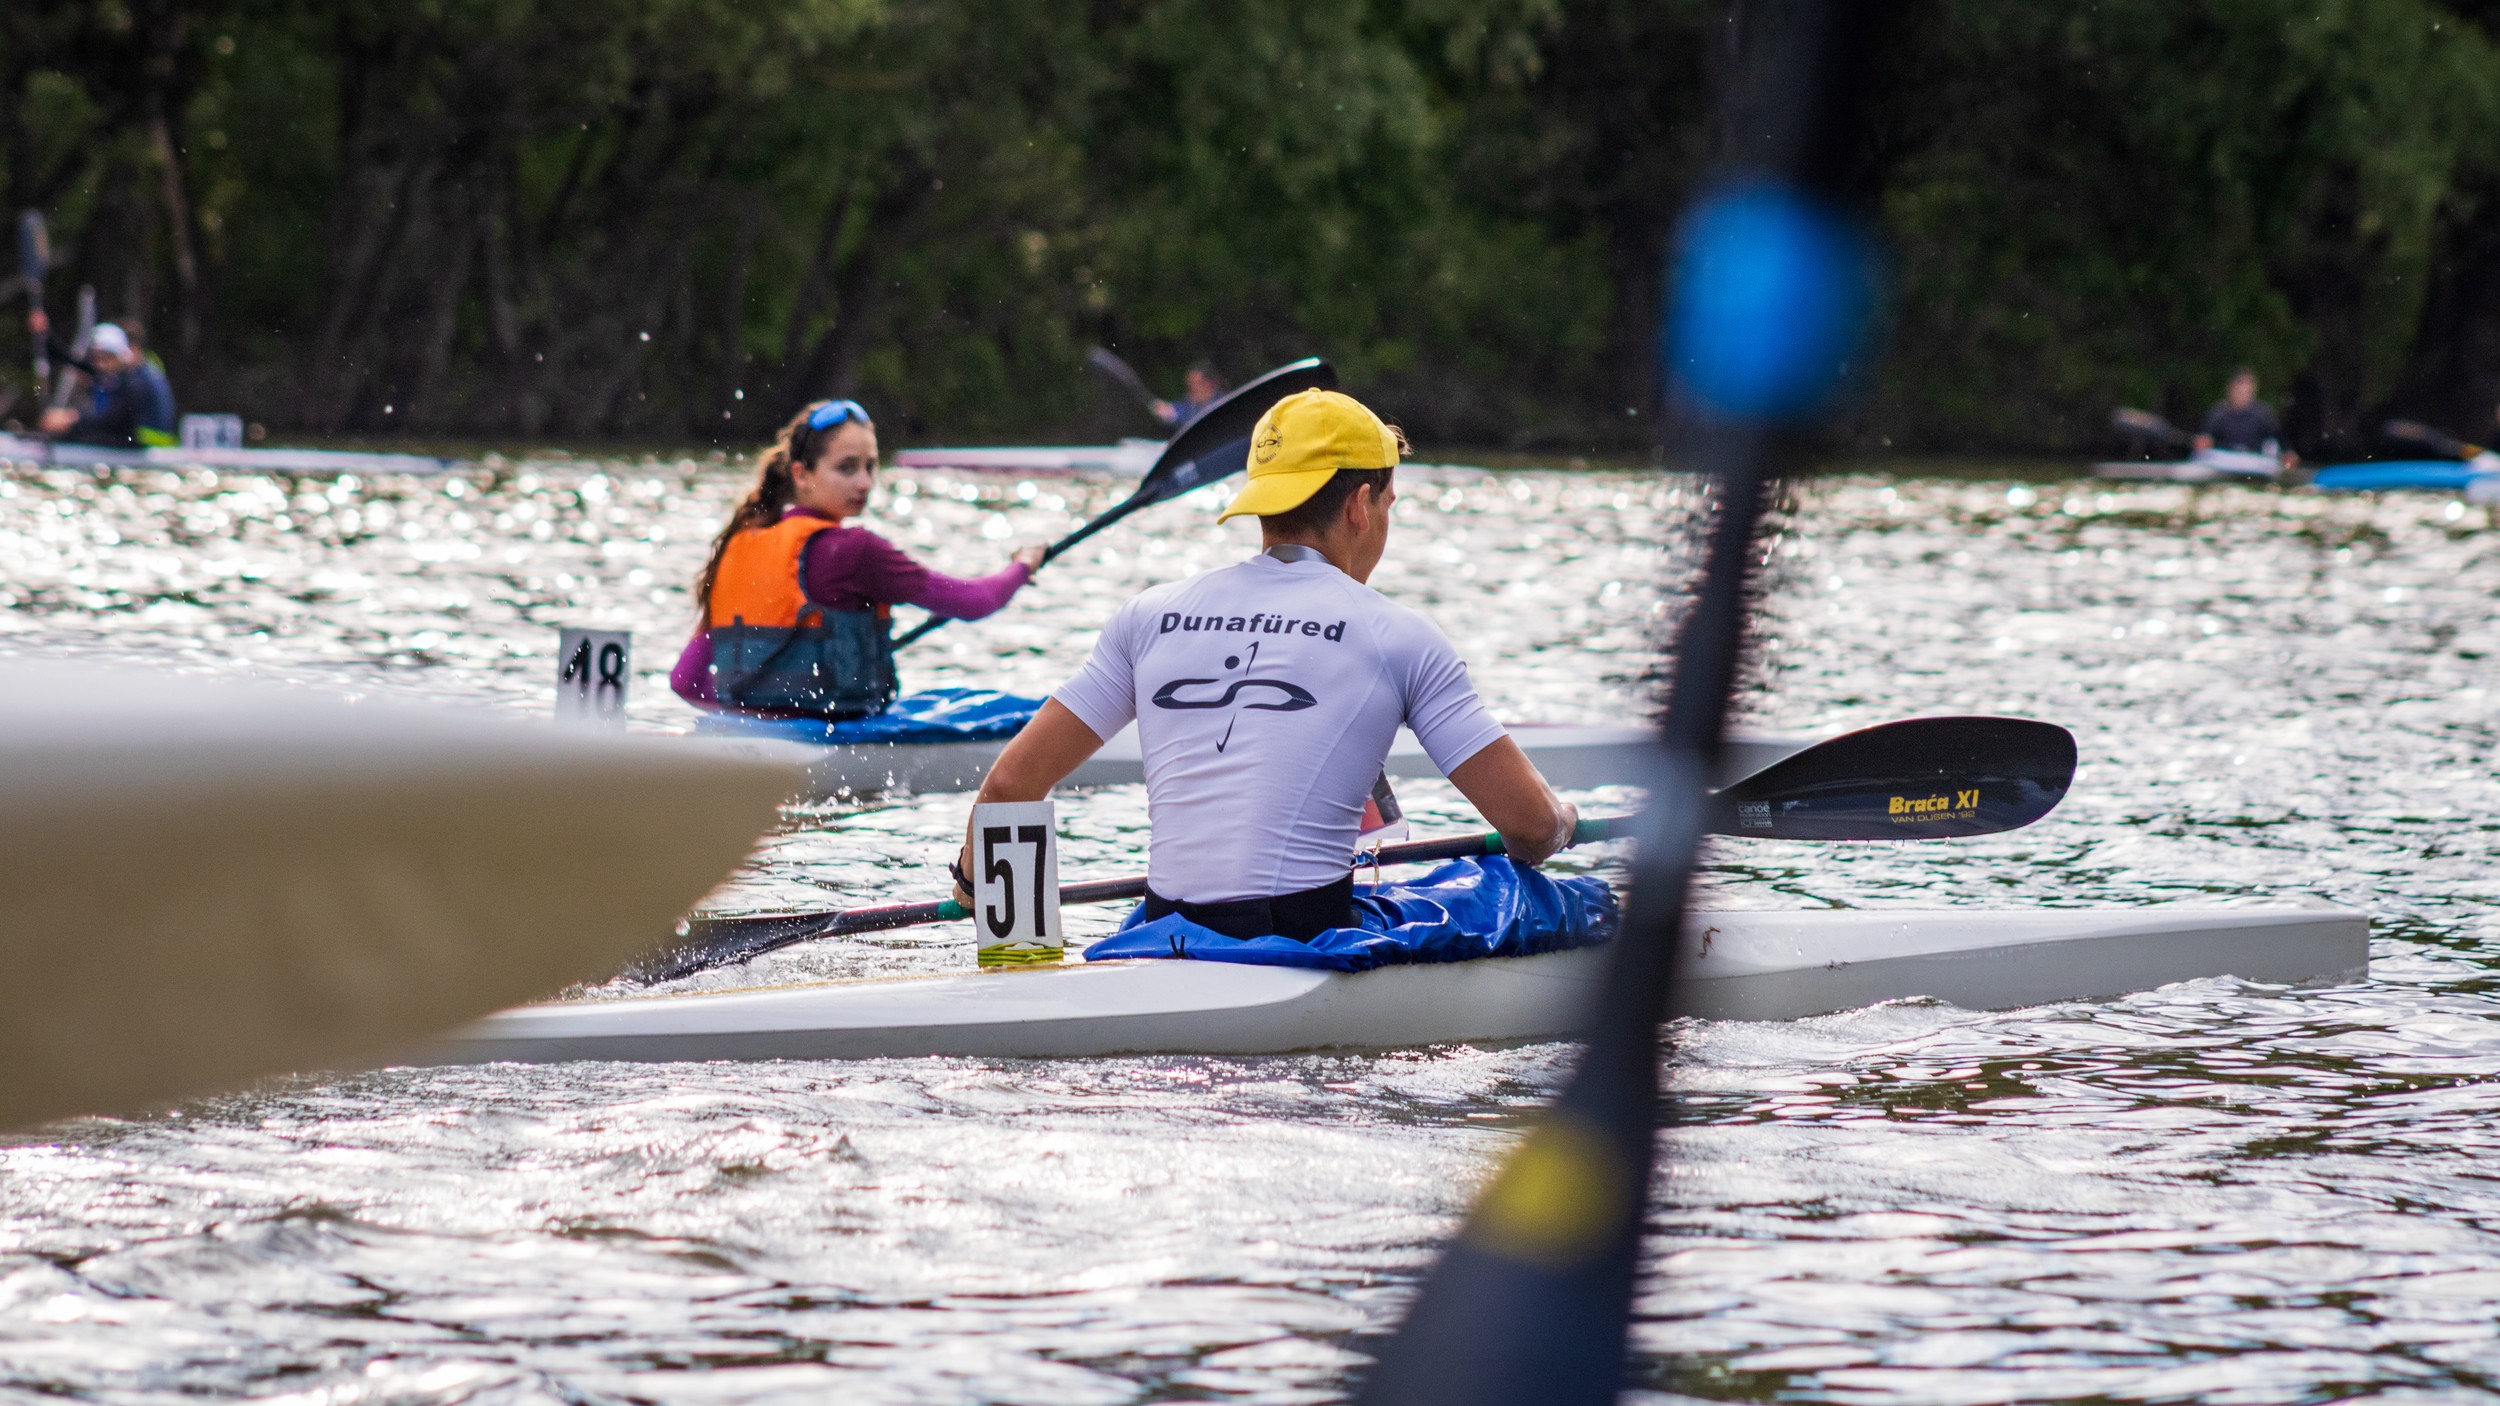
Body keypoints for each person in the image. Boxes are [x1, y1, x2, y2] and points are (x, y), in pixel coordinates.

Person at [952, 387, 1576, 941]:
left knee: (1035, 940)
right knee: (1564, 902)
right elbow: (1527, 825)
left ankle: (1022, 959)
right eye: (1391, 503)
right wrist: (1561, 822)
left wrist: (990, 908)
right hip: (1304, 938)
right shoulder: (1399, 634)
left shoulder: (1147, 615)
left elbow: (1012, 787)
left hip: (1165, 926)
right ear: (1361, 505)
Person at [670, 398, 1045, 718]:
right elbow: (972, 602)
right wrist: (1022, 566)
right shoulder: (854, 551)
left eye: (870, 466)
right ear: (801, 474)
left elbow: (684, 682)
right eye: (846, 468)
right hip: (836, 742)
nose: (864, 483)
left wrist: (752, 723)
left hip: (745, 737)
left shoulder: (737, 547)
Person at [26, 312, 176, 447]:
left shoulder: (137, 381)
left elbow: (113, 419)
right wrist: (43, 335)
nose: (100, 364)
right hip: (129, 437)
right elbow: (71, 360)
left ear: (124, 354)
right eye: (96, 358)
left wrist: (70, 420)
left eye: (106, 358)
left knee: (75, 436)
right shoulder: (115, 371)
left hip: (144, 444)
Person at [2194, 367, 2285, 458]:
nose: (2243, 393)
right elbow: (2205, 439)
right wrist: (2203, 443)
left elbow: (2277, 441)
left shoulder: (2263, 413)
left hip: (2255, 461)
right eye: (2239, 389)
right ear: (2230, 388)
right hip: (2223, 460)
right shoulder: (2217, 413)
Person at [1151, 362, 1225, 428]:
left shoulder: (1223, 403)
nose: (1190, 389)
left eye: (1195, 383)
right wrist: (1165, 410)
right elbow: (1175, 410)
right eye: (1189, 384)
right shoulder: (1189, 404)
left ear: (1209, 384)